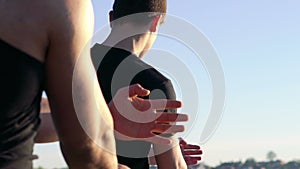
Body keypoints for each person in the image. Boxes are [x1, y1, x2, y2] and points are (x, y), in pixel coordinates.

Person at [90, 0, 193, 168]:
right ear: (155, 22)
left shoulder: (75, 67)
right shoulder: (155, 83)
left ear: (111, 18)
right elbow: (172, 166)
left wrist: (151, 155)